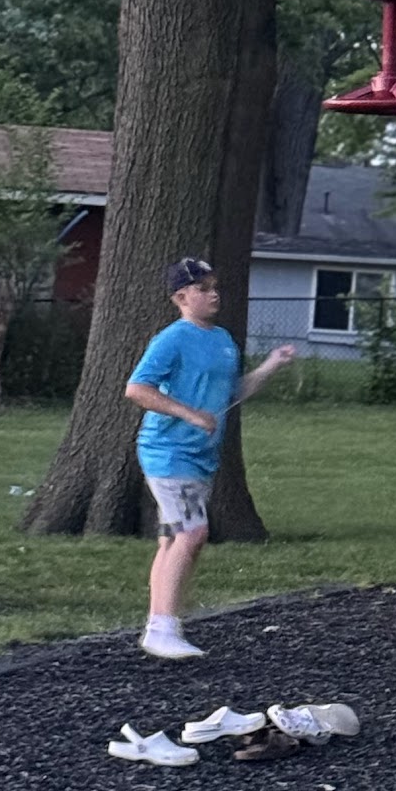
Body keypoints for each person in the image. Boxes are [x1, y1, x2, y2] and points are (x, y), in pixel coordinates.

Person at [124, 256, 296, 661]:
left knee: (173, 538)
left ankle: (159, 626)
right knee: (192, 533)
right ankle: (163, 629)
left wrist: (271, 365)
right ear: (181, 298)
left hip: (201, 456)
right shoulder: (171, 339)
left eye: (215, 287)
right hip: (168, 451)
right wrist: (188, 414)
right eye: (203, 289)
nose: (214, 294)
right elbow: (137, 389)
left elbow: (232, 392)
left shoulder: (223, 340)